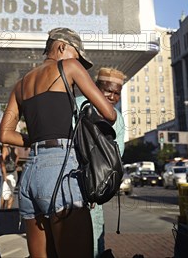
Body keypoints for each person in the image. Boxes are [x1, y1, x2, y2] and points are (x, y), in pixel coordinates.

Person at [0, 27, 116, 258]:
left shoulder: (20, 85)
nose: (79, 62)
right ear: (61, 47)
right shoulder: (69, 67)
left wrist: (38, 138)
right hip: (61, 170)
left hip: (30, 174)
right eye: (77, 55)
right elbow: (109, 114)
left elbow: (4, 134)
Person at [76, 67, 126, 257]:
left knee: (92, 238)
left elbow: (116, 158)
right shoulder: (77, 105)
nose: (112, 97)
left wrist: (99, 189)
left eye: (117, 93)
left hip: (93, 189)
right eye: (108, 91)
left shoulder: (118, 119)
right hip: (76, 184)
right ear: (96, 87)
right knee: (92, 241)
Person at [1, 144, 18, 209]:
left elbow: (2, 163)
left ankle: (2, 209)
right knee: (11, 192)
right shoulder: (15, 148)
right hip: (13, 172)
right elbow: (17, 156)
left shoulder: (5, 148)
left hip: (7, 173)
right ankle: (8, 209)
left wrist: (4, 174)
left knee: (4, 192)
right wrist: (15, 163)